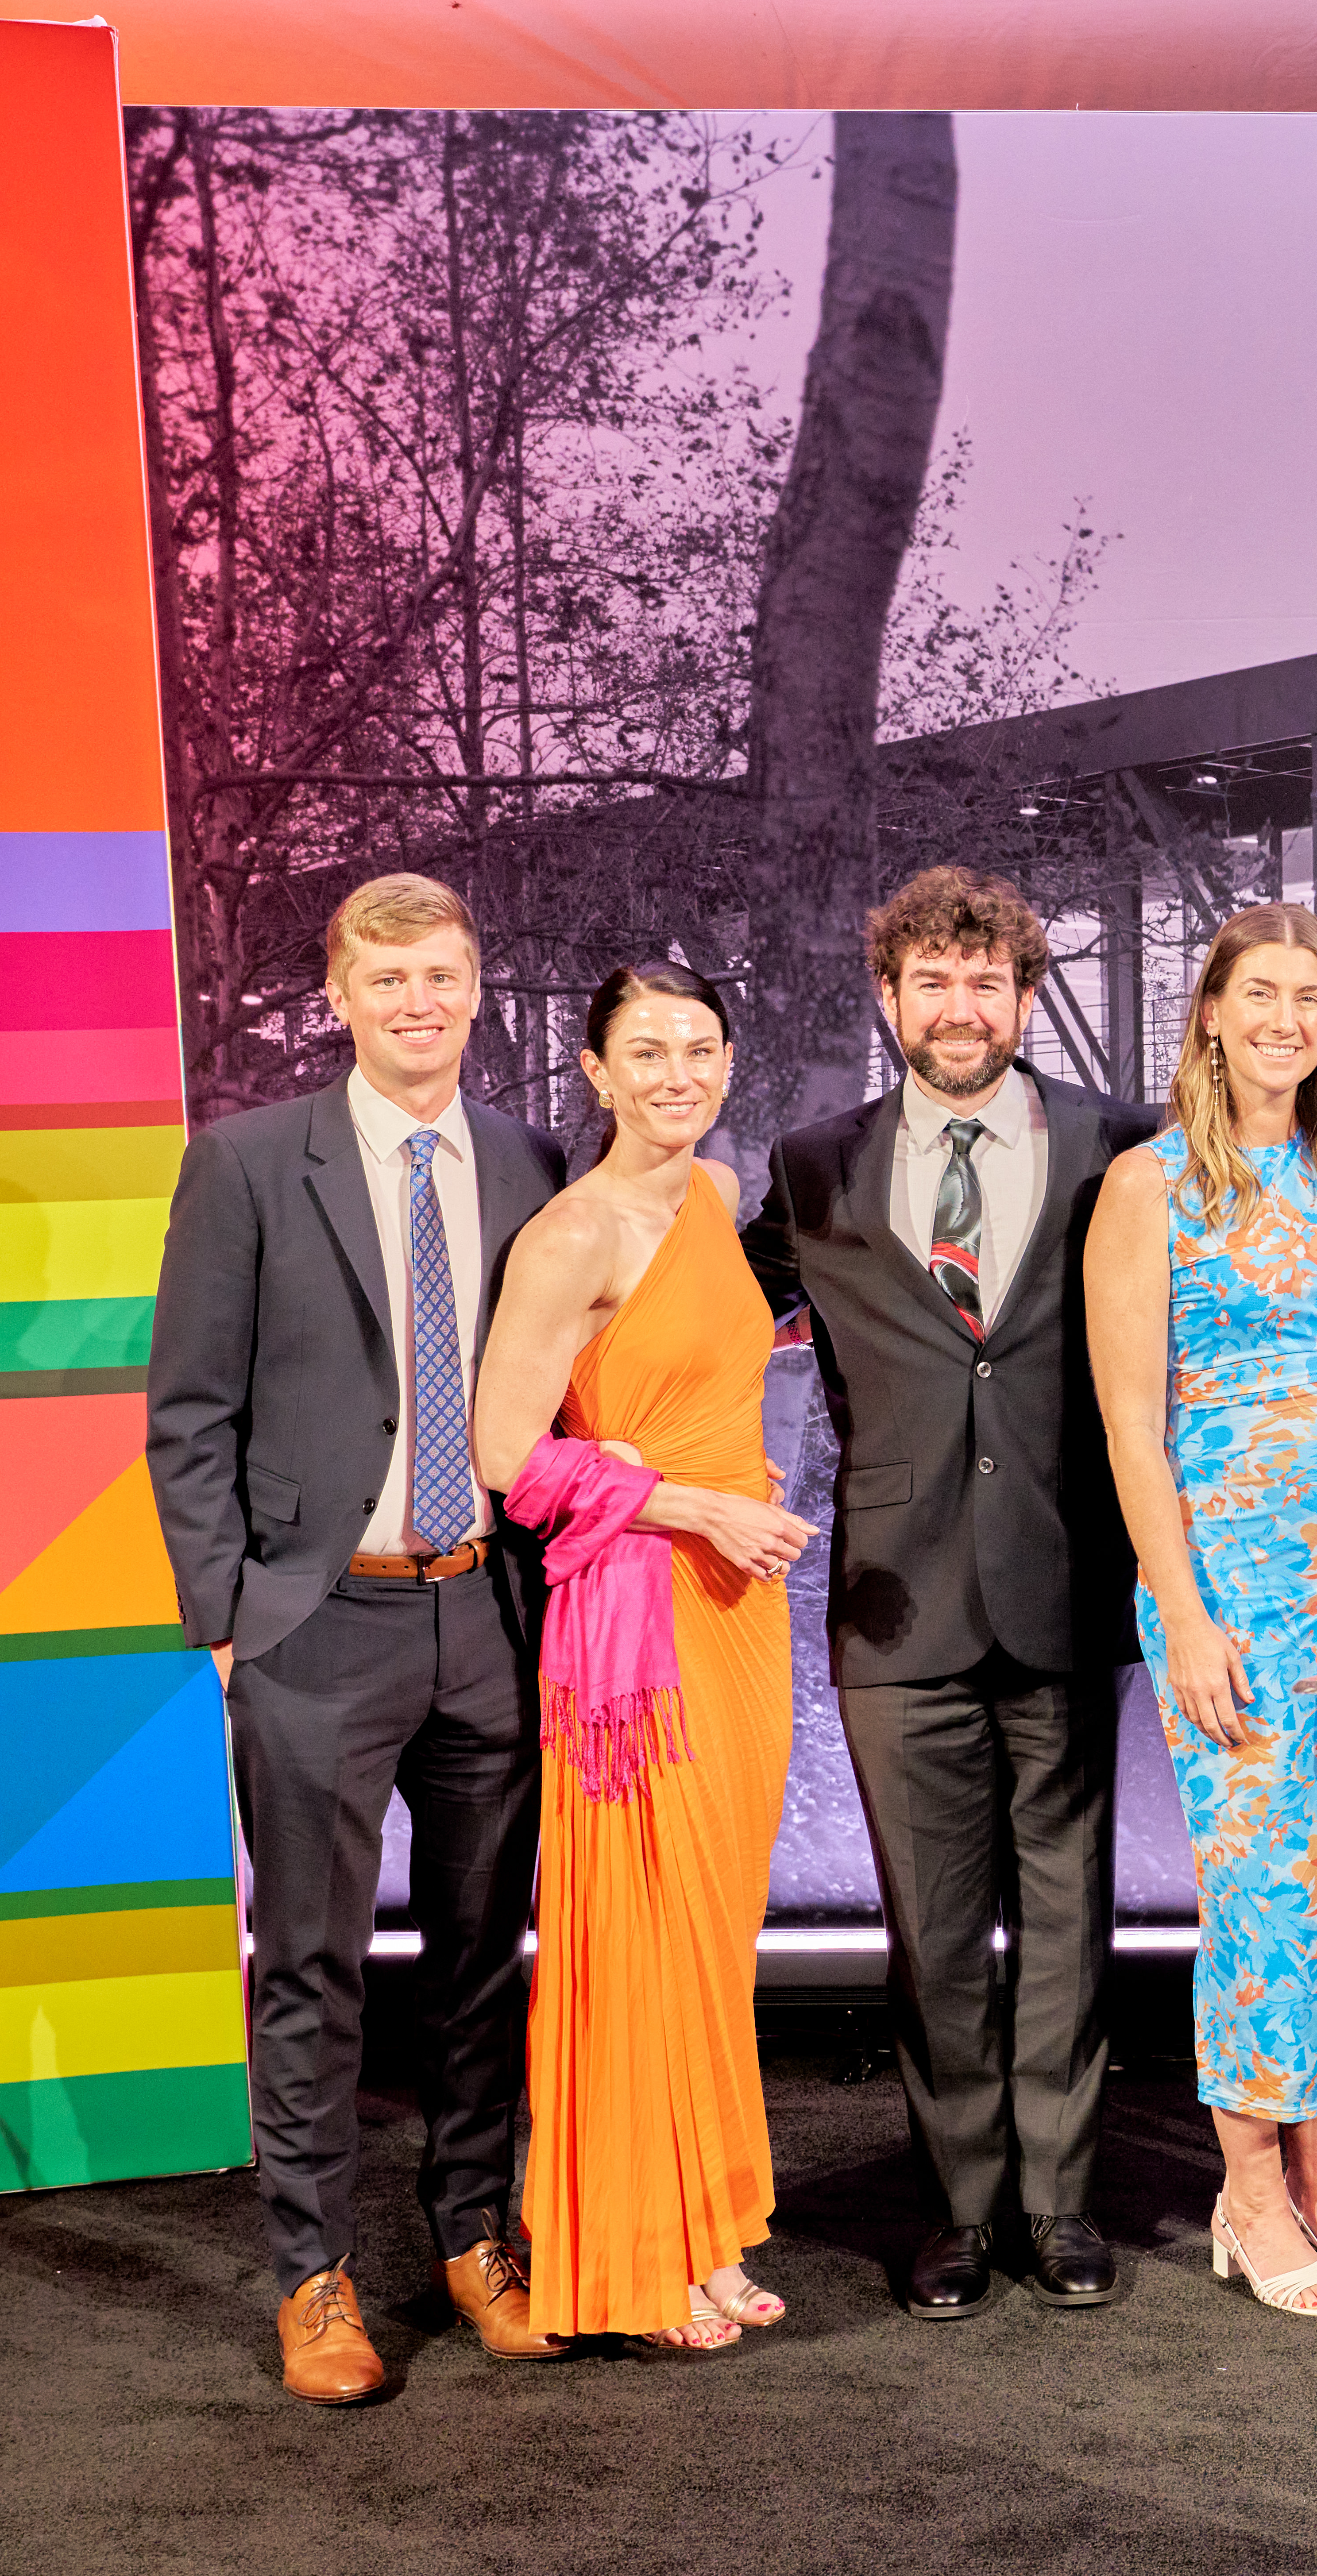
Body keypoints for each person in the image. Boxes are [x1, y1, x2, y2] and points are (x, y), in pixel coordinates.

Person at [148, 874, 570, 2402]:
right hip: (319, 1620)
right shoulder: (251, 1162)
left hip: (488, 1612)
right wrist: (229, 1616)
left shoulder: (528, 1161)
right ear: (340, 994)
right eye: (385, 977)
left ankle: (472, 2233)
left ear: (474, 987)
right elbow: (188, 1409)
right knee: (311, 1963)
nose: (416, 1001)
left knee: (477, 1959)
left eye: (442, 974)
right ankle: (314, 2273)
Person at [745, 869, 1162, 2321]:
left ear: (1026, 996)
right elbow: (703, 1316)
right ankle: (962, 2208)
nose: (960, 1006)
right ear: (890, 998)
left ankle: (1060, 2204)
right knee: (931, 1928)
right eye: (931, 980)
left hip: (1064, 1584)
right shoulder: (811, 1165)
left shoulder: (1121, 1147)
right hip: (892, 1598)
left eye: (985, 981)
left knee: (1066, 1917)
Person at [471, 962, 814, 2350]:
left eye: (700, 1048)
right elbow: (508, 1454)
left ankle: (708, 2223)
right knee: (640, 1927)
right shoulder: (570, 1235)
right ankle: (632, 2248)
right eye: (646, 1052)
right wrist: (690, 1502)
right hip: (635, 1621)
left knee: (715, 1928)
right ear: (595, 1072)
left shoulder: (723, 1198)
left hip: (744, 1605)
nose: (677, 1073)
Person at [1087, 904, 1317, 2321]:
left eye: (1311, 997)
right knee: (1261, 1896)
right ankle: (1250, 2190)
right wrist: (1185, 1608)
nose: (1286, 1018)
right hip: (1231, 1590)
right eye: (1259, 992)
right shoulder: (1146, 1187)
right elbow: (1129, 1429)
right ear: (1208, 1011)